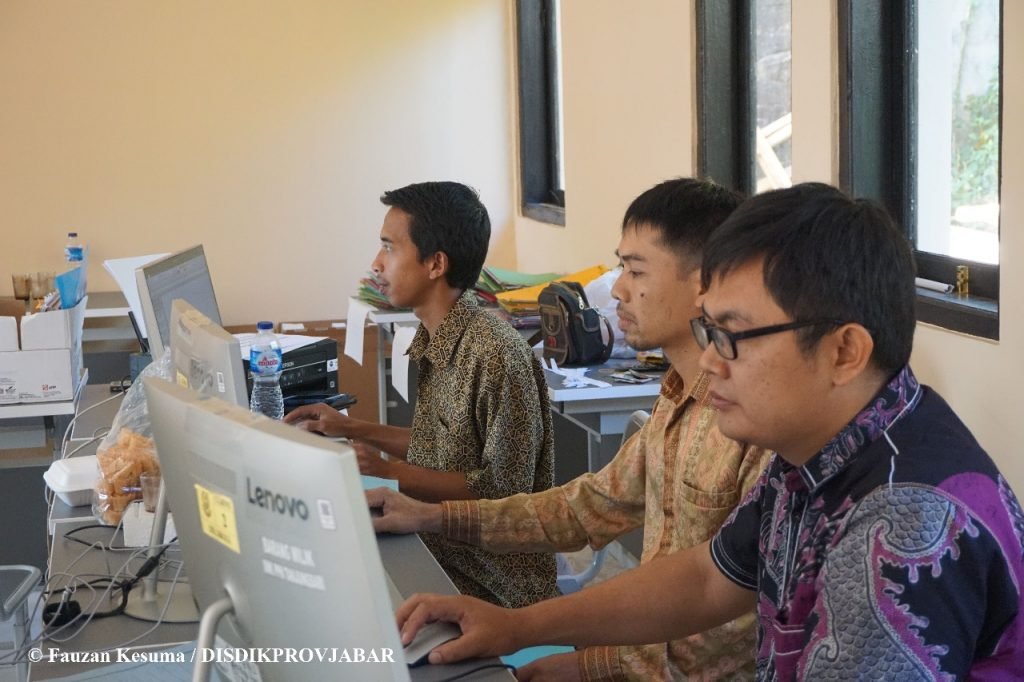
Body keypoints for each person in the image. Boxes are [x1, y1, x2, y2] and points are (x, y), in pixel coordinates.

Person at [394, 183, 1024, 679]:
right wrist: (517, 628)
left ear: (843, 352)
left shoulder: (902, 525)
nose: (712, 363)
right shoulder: (817, 450)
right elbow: (708, 578)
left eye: (733, 336)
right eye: (709, 332)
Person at [368, 177, 772, 680]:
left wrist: (544, 639)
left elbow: (723, 620)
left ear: (705, 285)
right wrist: (430, 516)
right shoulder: (675, 400)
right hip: (639, 658)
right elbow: (585, 507)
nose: (617, 288)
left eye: (635, 270)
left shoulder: (750, 429)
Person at [285, 181, 557, 608]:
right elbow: (440, 450)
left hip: (488, 581)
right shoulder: (441, 336)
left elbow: (503, 493)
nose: (376, 263)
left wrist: (388, 471)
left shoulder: (496, 355)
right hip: (437, 543)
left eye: (389, 248)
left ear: (435, 264)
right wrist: (350, 428)